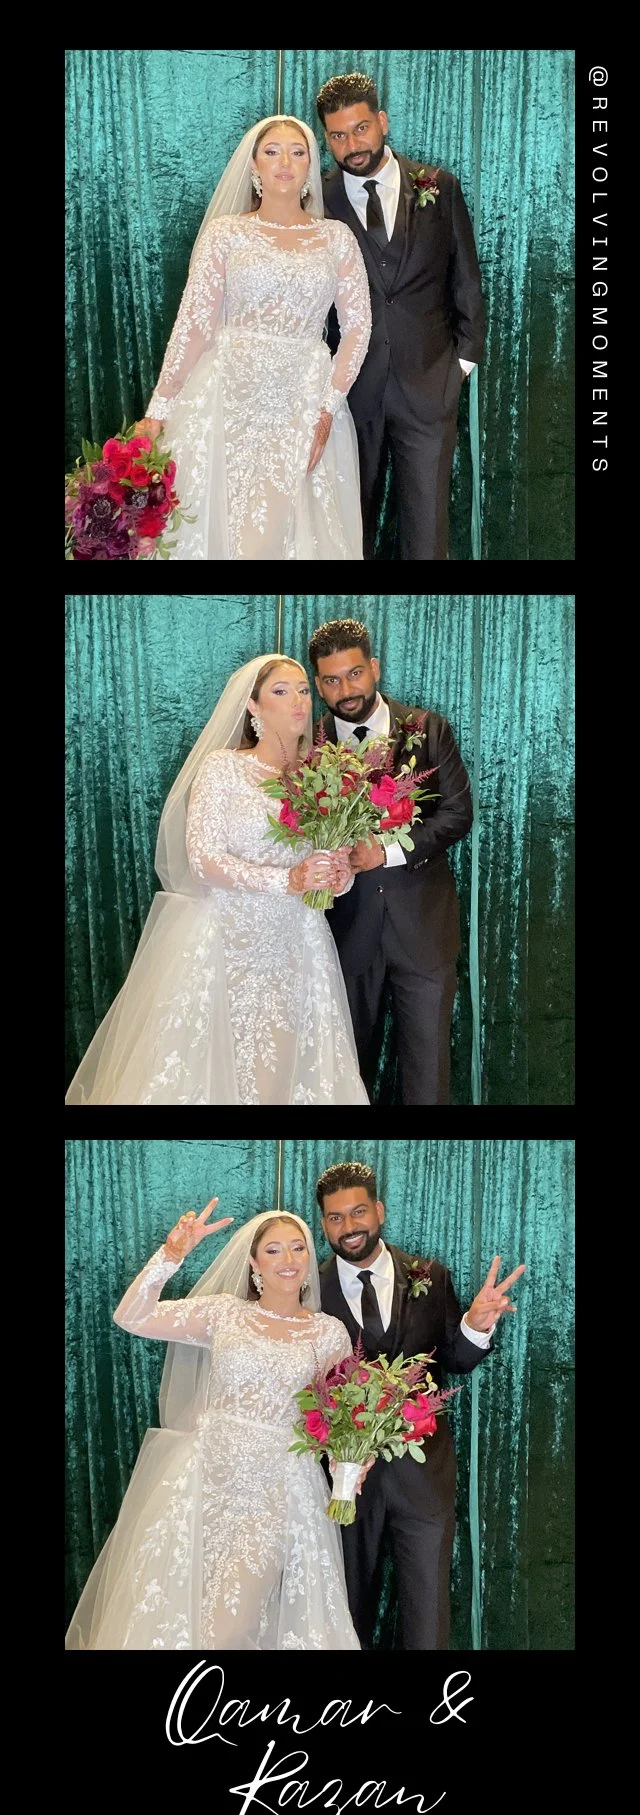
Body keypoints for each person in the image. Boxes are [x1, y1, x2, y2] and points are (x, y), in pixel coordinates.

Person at [65, 653, 368, 1105]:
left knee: (286, 1075)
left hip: (299, 946)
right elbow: (203, 859)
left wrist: (340, 874)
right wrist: (288, 880)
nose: (298, 701)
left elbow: (326, 868)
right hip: (230, 946)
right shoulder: (223, 769)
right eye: (281, 692)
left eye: (304, 690)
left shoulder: (321, 777)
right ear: (252, 706)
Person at [65, 1202, 364, 1650]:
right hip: (202, 1484)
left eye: (298, 1248)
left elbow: (345, 1418)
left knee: (228, 1629)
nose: (288, 1260)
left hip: (275, 1493)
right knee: (175, 1618)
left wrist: (353, 1464)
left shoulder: (328, 1333)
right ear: (253, 1262)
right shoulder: (225, 1314)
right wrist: (171, 1254)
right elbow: (132, 1316)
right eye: (274, 1250)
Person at [133, 116, 371, 558]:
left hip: (303, 402)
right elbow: (195, 324)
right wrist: (159, 409)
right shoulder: (226, 234)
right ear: (254, 166)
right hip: (227, 398)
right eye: (272, 151)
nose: (285, 161)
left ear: (310, 167)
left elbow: (358, 328)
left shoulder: (337, 240)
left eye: (298, 152)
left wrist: (326, 408)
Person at [317, 1162, 525, 1650]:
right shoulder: (309, 1287)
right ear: (324, 1223)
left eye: (359, 1212)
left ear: (380, 1211)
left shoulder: (429, 1275)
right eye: (335, 1218)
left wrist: (475, 1323)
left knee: (428, 1618)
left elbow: (454, 1359)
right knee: (342, 1613)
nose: (349, 1227)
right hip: (343, 1481)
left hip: (424, 1475)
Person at [317, 72, 485, 560]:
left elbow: (466, 281)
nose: (352, 144)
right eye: (338, 135)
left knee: (428, 536)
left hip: (429, 384)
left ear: (383, 121)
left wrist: (461, 366)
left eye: (362, 128)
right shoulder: (318, 201)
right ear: (326, 137)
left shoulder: (438, 186)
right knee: (347, 534)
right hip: (347, 394)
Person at [309, 618, 472, 1105]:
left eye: (354, 674)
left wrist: (385, 851)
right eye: (332, 680)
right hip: (343, 936)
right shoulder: (309, 745)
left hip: (422, 930)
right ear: (318, 684)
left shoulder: (427, 728)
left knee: (427, 1080)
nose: (346, 690)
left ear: (374, 667)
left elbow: (457, 814)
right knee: (340, 1079)